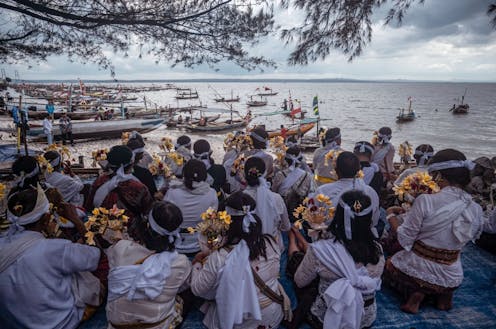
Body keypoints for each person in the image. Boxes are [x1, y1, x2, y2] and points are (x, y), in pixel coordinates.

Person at [384, 149, 485, 314]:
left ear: (438, 175)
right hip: (452, 276)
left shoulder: (426, 201)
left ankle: (416, 294)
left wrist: (390, 215)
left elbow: (404, 238)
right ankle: (444, 296)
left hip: (417, 272)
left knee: (388, 265)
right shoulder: (475, 208)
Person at [0, 186, 102, 329]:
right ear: (47, 217)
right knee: (90, 277)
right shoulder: (54, 249)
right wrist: (76, 221)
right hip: (60, 323)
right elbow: (95, 255)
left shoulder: (3, 243)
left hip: (14, 323)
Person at [190, 191, 290, 329]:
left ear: (227, 223)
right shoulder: (271, 242)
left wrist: (196, 264)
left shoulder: (220, 257)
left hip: (241, 322)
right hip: (272, 316)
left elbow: (197, 290)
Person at [287, 190, 384, 329]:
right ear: (369, 219)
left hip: (325, 317)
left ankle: (293, 238)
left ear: (338, 215)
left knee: (298, 264)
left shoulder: (321, 249)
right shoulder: (378, 250)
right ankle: (298, 239)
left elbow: (300, 281)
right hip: (364, 318)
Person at [106, 201, 192, 329]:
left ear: (146, 226)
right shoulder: (181, 262)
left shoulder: (120, 249)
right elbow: (182, 287)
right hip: (157, 325)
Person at [86, 145, 153, 241]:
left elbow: (89, 207)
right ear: (131, 164)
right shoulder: (139, 187)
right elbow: (148, 211)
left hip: (102, 234)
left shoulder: (99, 182)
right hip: (129, 236)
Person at [314, 152, 380, 235]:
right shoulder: (370, 192)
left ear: (336, 170)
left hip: (331, 239)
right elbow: (374, 221)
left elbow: (315, 221)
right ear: (359, 170)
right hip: (363, 240)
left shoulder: (322, 191)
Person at [164, 159, 218, 254]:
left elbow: (164, 217)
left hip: (175, 244)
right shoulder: (211, 194)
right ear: (205, 175)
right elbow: (211, 222)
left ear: (184, 174)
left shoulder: (173, 192)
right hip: (199, 245)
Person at [243, 156, 290, 249]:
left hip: (245, 248)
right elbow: (286, 227)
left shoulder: (238, 198)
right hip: (273, 248)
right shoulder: (276, 198)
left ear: (245, 174)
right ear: (265, 174)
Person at [272, 146, 315, 222]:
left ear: (286, 160)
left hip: (281, 211)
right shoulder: (307, 175)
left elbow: (273, 192)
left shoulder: (280, 175)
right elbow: (310, 195)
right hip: (299, 213)